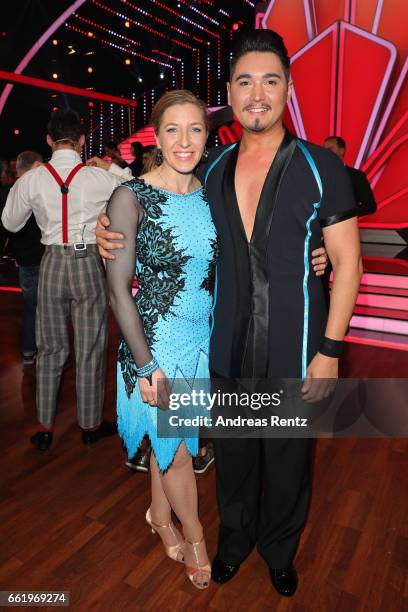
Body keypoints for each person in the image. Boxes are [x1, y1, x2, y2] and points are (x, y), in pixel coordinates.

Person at [97, 29, 361, 599]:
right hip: (223, 347)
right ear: (232, 92)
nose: (257, 93)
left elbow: (349, 262)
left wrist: (331, 351)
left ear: (288, 88)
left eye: (270, 80)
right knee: (236, 458)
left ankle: (280, 552)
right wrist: (108, 231)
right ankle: (234, 542)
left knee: (289, 462)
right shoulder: (211, 169)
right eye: (245, 81)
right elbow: (165, 216)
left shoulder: (322, 167)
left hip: (297, 347)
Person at [105, 90, 217, 589]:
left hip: (201, 336)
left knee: (169, 443)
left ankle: (158, 515)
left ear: (208, 136)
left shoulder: (212, 191)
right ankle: (194, 536)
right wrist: (147, 364)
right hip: (155, 343)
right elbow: (117, 290)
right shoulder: (130, 196)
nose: (184, 140)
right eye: (173, 129)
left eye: (195, 128)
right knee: (178, 451)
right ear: (156, 134)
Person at [2, 110, 120, 452]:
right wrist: (109, 167)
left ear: (50, 140)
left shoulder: (32, 179)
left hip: (51, 263)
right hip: (87, 265)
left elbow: (10, 223)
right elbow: (137, 190)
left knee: (50, 349)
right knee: (90, 349)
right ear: (82, 140)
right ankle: (90, 425)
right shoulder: (98, 178)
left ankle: (44, 428)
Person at [5, 151, 44, 364]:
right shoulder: (32, 189)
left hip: (24, 258)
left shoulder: (12, 189)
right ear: (36, 165)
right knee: (45, 307)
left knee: (31, 306)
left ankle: (29, 349)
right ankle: (44, 350)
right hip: (39, 256)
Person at [323, 136, 377, 216]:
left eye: (330, 149)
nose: (325, 152)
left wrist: (345, 215)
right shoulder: (318, 175)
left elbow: (370, 206)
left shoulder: (356, 176)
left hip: (346, 226)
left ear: (342, 150)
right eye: (324, 150)